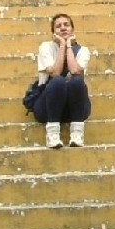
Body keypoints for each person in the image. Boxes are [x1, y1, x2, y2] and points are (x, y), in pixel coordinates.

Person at [32, 12, 91, 148]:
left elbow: (75, 70)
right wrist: (62, 46)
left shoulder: (83, 51)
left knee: (76, 81)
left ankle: (77, 134)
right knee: (58, 81)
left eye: (66, 25)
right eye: (58, 26)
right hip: (47, 107)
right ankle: (52, 135)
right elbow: (55, 73)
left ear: (72, 29)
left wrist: (68, 46)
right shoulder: (46, 47)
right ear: (53, 32)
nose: (63, 28)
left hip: (74, 108)